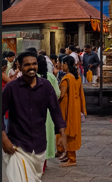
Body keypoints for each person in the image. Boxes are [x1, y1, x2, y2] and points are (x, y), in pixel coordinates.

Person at [2, 51, 67, 181]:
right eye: (27, 65)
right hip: (17, 146)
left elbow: (55, 111)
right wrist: (4, 139)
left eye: (34, 64)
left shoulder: (46, 86)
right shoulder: (11, 88)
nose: (31, 67)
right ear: (19, 67)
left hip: (39, 146)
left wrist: (62, 134)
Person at [56, 55, 86, 166]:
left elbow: (61, 94)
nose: (60, 65)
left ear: (65, 64)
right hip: (75, 105)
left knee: (68, 130)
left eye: (61, 63)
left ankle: (72, 159)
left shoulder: (66, 79)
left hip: (67, 107)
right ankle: (68, 155)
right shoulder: (76, 76)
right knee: (70, 129)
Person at [37, 54, 61, 173]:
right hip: (48, 111)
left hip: (35, 111)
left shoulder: (32, 77)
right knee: (47, 135)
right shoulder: (51, 77)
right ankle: (44, 163)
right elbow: (57, 93)